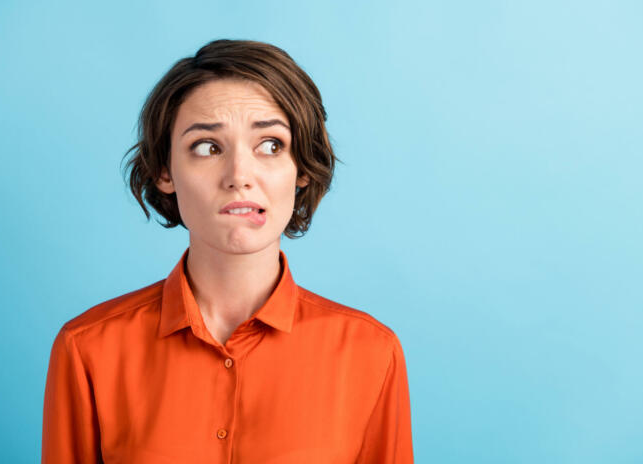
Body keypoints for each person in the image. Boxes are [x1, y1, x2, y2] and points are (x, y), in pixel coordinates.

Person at [41, 39, 414, 463]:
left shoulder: (371, 353)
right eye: (207, 147)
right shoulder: (87, 348)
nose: (239, 175)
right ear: (165, 171)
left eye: (271, 145)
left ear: (302, 169)